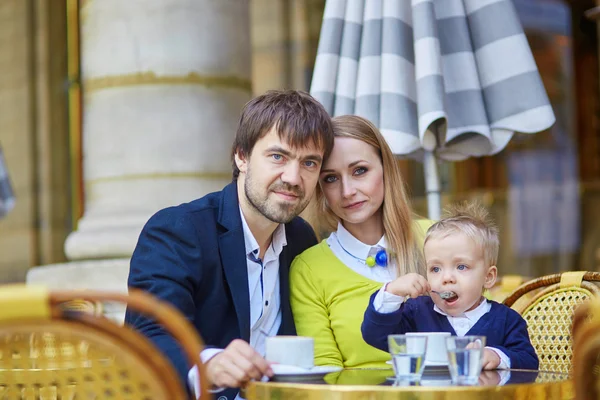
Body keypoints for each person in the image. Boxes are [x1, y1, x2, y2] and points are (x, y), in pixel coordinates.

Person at [125, 89, 334, 400]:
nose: (293, 177)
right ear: (242, 156)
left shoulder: (301, 239)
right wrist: (207, 365)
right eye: (278, 156)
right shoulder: (178, 230)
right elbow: (149, 335)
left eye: (309, 163)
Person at [289, 115, 431, 369]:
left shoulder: (435, 238)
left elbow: (483, 335)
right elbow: (325, 373)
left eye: (360, 171)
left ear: (386, 168)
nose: (347, 191)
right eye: (331, 178)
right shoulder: (309, 269)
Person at [361, 202, 539, 370]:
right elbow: (375, 335)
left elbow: (528, 361)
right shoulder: (417, 312)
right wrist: (392, 291)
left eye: (461, 266)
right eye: (435, 268)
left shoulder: (507, 320)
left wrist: (497, 356)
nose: (446, 278)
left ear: (488, 277)